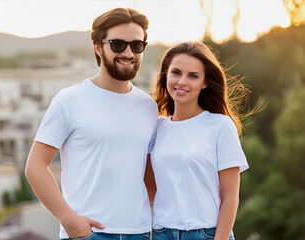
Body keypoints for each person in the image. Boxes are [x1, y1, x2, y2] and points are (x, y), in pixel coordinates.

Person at [25, 8, 158, 240]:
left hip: (140, 233)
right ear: (98, 47)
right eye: (118, 44)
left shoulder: (149, 107)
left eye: (137, 45)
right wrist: (68, 219)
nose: (128, 52)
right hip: (87, 234)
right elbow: (35, 167)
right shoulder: (69, 100)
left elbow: (150, 175)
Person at [148, 41, 249, 240]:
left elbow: (230, 197)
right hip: (161, 233)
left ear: (205, 82)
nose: (182, 81)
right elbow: (148, 190)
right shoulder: (156, 127)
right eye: (176, 72)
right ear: (166, 75)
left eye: (192, 76)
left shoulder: (220, 126)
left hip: (206, 234)